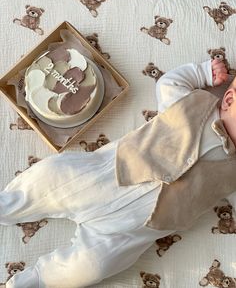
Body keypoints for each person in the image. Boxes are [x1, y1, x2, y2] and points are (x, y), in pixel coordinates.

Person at [1, 58, 235, 288]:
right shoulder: (193, 103)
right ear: (229, 99)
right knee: (53, 176)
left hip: (136, 227)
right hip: (108, 174)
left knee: (95, 264)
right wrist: (203, 72)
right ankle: (10, 204)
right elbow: (168, 83)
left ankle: (38, 281)